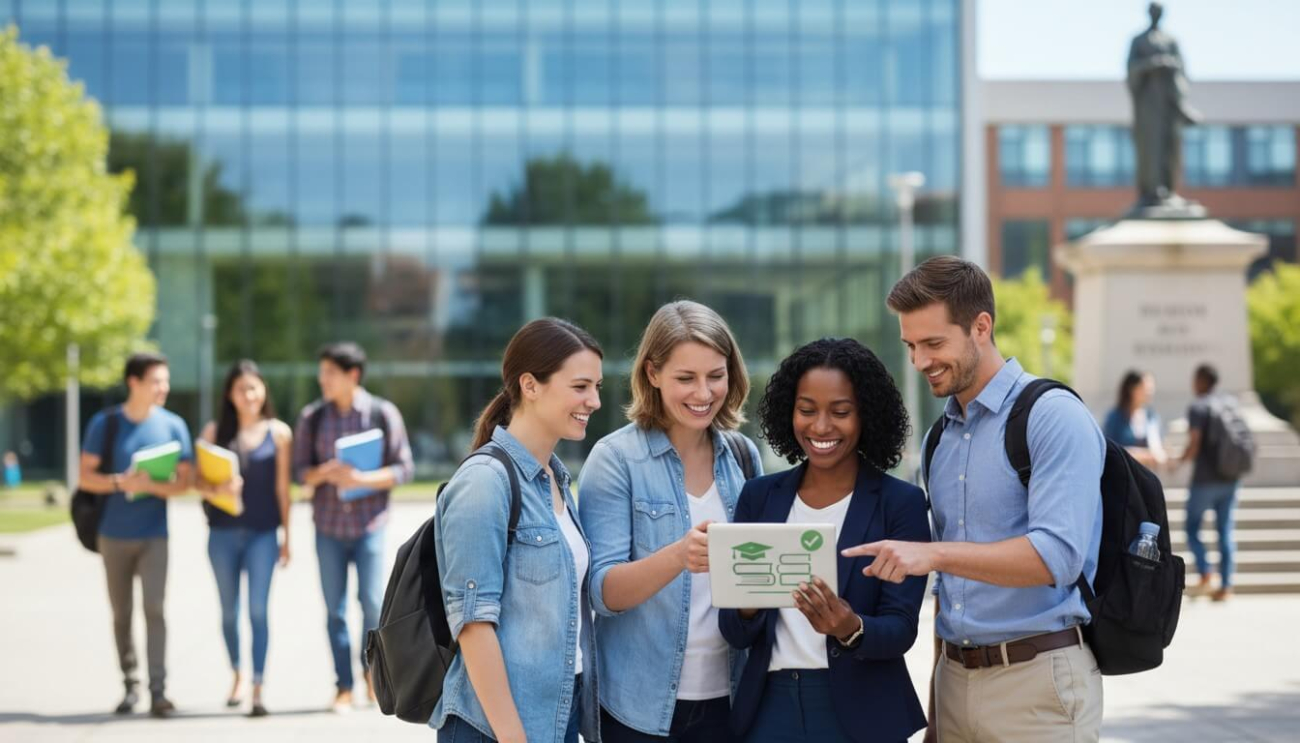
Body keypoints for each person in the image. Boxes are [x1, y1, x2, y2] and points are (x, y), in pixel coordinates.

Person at [843, 256, 1106, 742]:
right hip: (955, 682)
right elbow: (949, 594)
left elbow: (1058, 556)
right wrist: (937, 711)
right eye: (911, 346)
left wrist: (933, 555)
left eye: (933, 344)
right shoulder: (939, 439)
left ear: (981, 327)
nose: (920, 361)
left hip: (1037, 685)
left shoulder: (1052, 416)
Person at [718, 338, 929, 743]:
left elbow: (902, 628)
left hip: (862, 713)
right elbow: (734, 631)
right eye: (807, 410)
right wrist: (749, 601)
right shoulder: (759, 497)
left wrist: (850, 628)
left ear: (866, 415)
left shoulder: (900, 503)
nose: (820, 427)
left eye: (841, 412)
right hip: (769, 709)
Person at [579, 300, 762, 742]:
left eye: (715, 376)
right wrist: (679, 556)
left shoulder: (742, 456)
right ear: (653, 373)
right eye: (686, 378)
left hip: (730, 701)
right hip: (636, 709)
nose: (703, 393)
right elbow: (602, 593)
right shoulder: (615, 459)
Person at [432, 318, 604, 743]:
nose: (595, 401)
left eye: (597, 387)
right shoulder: (484, 482)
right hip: (496, 729)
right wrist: (514, 737)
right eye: (580, 386)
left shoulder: (555, 479)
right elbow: (473, 625)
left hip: (556, 718)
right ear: (530, 385)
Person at [292, 342, 414, 712]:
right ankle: (343, 686)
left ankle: (371, 677)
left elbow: (404, 469)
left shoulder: (382, 413)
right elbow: (300, 472)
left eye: (330, 373)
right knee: (335, 609)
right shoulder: (313, 417)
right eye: (322, 372)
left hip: (369, 526)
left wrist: (361, 478)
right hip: (328, 527)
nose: (323, 380)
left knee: (372, 604)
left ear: (353, 375)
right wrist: (324, 473)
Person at [78, 352, 194, 718]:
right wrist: (121, 482)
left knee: (155, 608)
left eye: (166, 381)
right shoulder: (105, 423)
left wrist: (153, 486)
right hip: (112, 535)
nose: (164, 388)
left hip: (154, 535)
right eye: (157, 381)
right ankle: (130, 685)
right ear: (134, 382)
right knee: (121, 613)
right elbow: (85, 477)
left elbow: (184, 483)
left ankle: (159, 691)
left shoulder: (174, 425)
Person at [196, 360, 293, 717]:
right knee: (228, 612)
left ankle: (257, 686)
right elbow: (197, 483)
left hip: (263, 535)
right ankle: (237, 672)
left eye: (254, 387)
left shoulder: (279, 433)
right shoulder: (214, 431)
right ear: (229, 394)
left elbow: (283, 489)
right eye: (241, 389)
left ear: (263, 390)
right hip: (221, 534)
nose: (248, 395)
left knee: (257, 611)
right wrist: (217, 489)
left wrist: (288, 536)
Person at [1176, 363, 1239, 601]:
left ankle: (1205, 573)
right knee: (1225, 531)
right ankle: (1226, 585)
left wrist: (1178, 461)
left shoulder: (1198, 407)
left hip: (1205, 480)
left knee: (1192, 527)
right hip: (1230, 478)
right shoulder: (1230, 403)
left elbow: (1194, 443)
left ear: (1201, 381)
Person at [1102, 370, 1167, 469]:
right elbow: (1108, 449)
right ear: (1132, 389)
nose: (1149, 392)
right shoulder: (1115, 417)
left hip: (1146, 473)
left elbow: (1157, 448)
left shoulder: (1151, 416)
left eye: (1151, 388)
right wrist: (1141, 455)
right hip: (1122, 472)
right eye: (1145, 388)